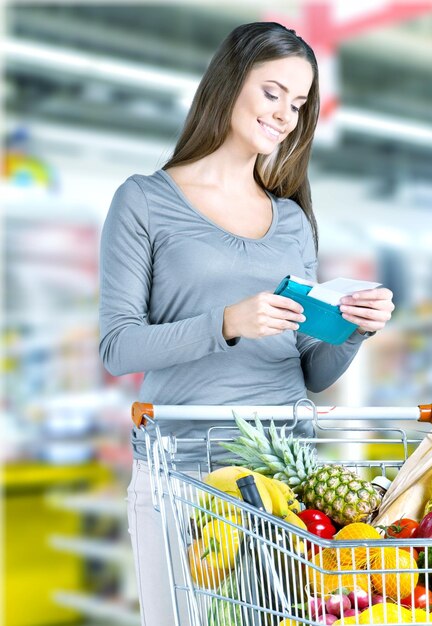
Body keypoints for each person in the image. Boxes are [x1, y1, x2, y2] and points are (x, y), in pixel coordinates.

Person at [99, 21, 394, 626]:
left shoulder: (291, 219)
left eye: (300, 102)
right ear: (230, 85)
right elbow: (117, 346)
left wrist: (354, 328)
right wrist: (226, 322)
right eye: (273, 92)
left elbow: (313, 369)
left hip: (287, 473)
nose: (286, 114)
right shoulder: (145, 200)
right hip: (182, 466)